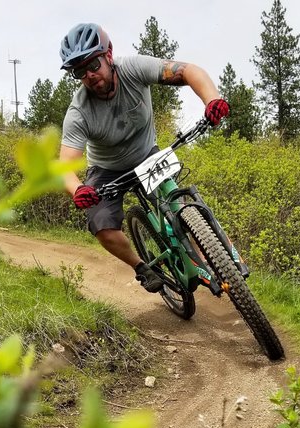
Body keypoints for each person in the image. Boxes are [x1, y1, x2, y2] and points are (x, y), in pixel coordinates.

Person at [59, 23, 229, 293]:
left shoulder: (133, 69)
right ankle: (141, 266)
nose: (89, 75)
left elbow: (188, 71)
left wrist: (212, 100)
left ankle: (211, 258)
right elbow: (65, 166)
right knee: (101, 225)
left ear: (109, 55)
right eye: (80, 71)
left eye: (93, 64)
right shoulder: (79, 112)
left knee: (177, 202)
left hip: (146, 154)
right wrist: (78, 189)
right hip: (107, 169)